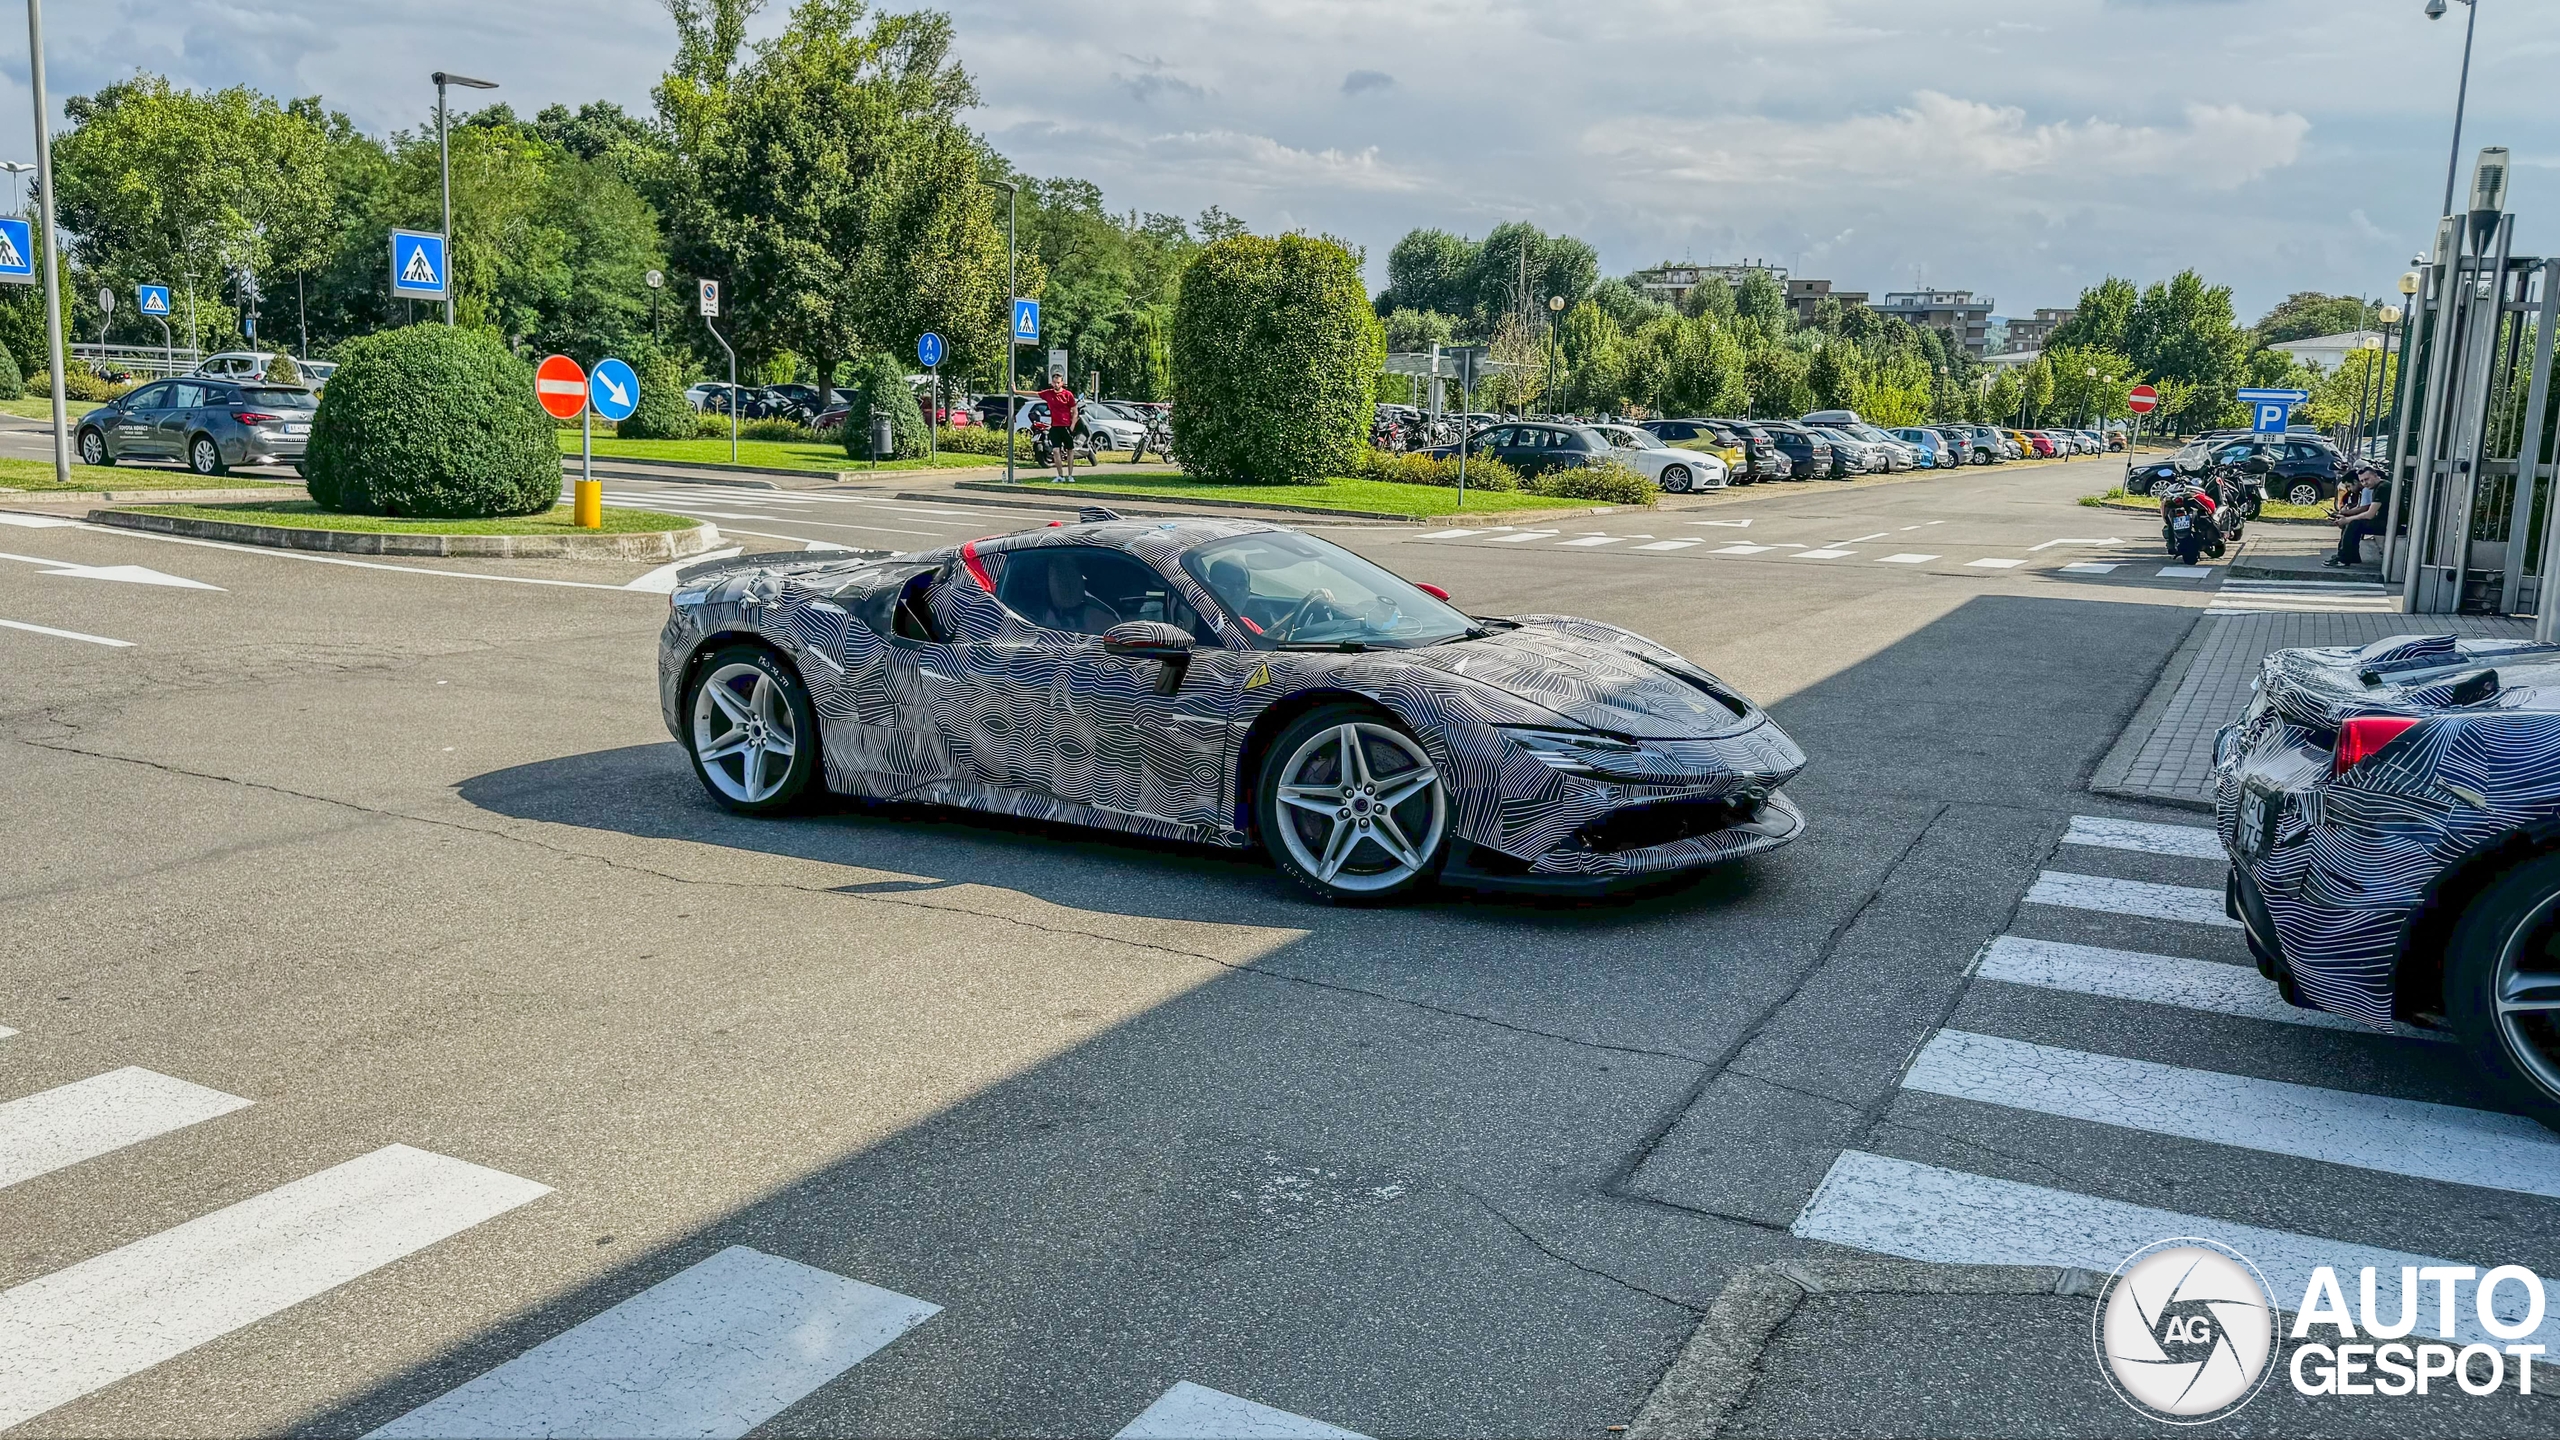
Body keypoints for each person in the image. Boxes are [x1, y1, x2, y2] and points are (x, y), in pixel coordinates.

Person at [2326, 466, 2385, 569]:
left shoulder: (2382, 488)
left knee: (2354, 524)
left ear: (2375, 476)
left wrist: (2347, 518)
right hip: (2384, 520)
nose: (2365, 483)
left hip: (2389, 523)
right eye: (2362, 481)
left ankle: (2344, 559)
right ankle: (2351, 556)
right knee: (2353, 522)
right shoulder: (2376, 487)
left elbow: (2369, 513)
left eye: (2367, 479)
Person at [1036, 370, 1080, 481]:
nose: (1056, 384)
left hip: (1066, 426)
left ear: (1062, 383)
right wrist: (1016, 391)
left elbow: (1075, 411)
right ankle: (1060, 475)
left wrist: (1072, 425)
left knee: (1070, 450)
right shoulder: (1048, 393)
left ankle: (1070, 475)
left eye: (1058, 382)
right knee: (1056, 450)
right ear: (1052, 383)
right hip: (1055, 427)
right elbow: (1034, 393)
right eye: (1054, 382)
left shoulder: (1068, 395)